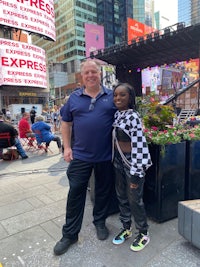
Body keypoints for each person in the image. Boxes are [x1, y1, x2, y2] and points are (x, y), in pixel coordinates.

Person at [53, 59, 117, 256]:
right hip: (80, 156)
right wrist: (67, 148)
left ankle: (100, 222)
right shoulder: (74, 98)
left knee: (103, 191)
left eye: (94, 72)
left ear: (100, 74)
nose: (90, 75)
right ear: (82, 76)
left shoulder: (111, 96)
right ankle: (70, 234)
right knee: (76, 193)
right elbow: (66, 123)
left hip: (106, 156)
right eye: (87, 72)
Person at [112, 83, 152, 252]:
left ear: (130, 98)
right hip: (118, 162)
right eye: (115, 95)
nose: (118, 98)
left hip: (132, 162)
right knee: (121, 196)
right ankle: (126, 228)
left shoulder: (133, 117)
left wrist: (136, 170)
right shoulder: (117, 114)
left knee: (134, 198)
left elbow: (140, 145)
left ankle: (143, 233)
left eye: (122, 95)